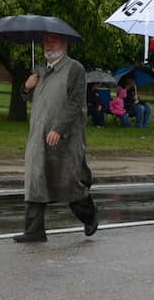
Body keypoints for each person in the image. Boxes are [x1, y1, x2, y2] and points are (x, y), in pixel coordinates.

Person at [15, 33, 98, 242]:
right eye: (46, 41)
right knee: (35, 180)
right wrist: (26, 87)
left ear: (65, 44)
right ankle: (34, 231)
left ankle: (89, 215)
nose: (49, 45)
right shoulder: (41, 69)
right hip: (38, 135)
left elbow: (75, 103)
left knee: (68, 183)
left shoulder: (74, 69)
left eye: (54, 41)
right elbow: (30, 96)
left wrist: (59, 128)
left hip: (65, 138)